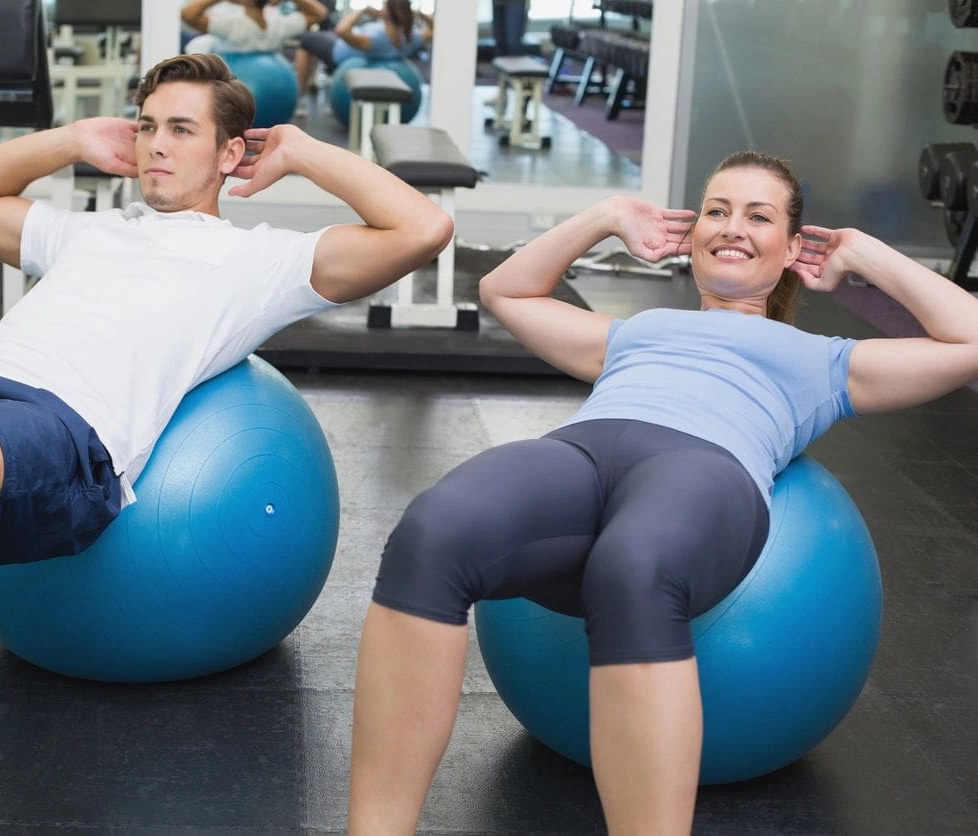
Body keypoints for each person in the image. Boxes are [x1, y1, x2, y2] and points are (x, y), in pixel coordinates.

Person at [0, 52, 452, 835]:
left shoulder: (264, 261)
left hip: (62, 432)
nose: (156, 145)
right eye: (146, 126)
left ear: (230, 151)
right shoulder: (88, 234)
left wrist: (302, 152)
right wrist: (71, 138)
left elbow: (424, 228)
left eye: (181, 129)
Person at [345, 150, 978, 835]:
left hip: (707, 466)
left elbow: (969, 340)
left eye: (758, 216)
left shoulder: (822, 361)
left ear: (794, 248)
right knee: (432, 531)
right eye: (717, 210)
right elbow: (505, 292)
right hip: (585, 454)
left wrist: (867, 254)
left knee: (635, 568)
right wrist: (605, 216)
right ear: (692, 233)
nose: (732, 226)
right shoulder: (636, 333)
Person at [293, 0, 432, 98]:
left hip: (339, 51)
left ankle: (300, 93)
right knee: (320, 36)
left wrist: (362, 10)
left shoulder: (378, 38)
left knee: (305, 41)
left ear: (387, 13)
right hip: (346, 43)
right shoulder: (410, 37)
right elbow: (434, 29)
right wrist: (420, 14)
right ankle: (312, 81)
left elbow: (341, 31)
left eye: (383, 6)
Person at [181, 0, 328, 56]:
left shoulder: (234, 26)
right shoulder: (278, 24)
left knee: (183, 36)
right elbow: (320, 13)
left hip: (217, 64)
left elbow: (187, 15)